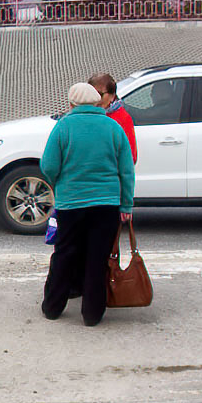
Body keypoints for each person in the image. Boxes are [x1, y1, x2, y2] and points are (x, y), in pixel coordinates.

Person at [40, 82, 135, 327]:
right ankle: (92, 315)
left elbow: (48, 165)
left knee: (64, 253)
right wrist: (125, 205)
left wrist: (60, 184)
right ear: (97, 103)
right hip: (107, 205)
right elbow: (126, 170)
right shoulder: (114, 127)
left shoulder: (64, 127)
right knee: (97, 258)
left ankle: (52, 307)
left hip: (71, 203)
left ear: (72, 104)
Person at [89, 72, 137, 164]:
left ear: (112, 96)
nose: (95, 99)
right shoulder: (83, 115)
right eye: (91, 94)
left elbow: (131, 157)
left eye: (99, 94)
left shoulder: (122, 118)